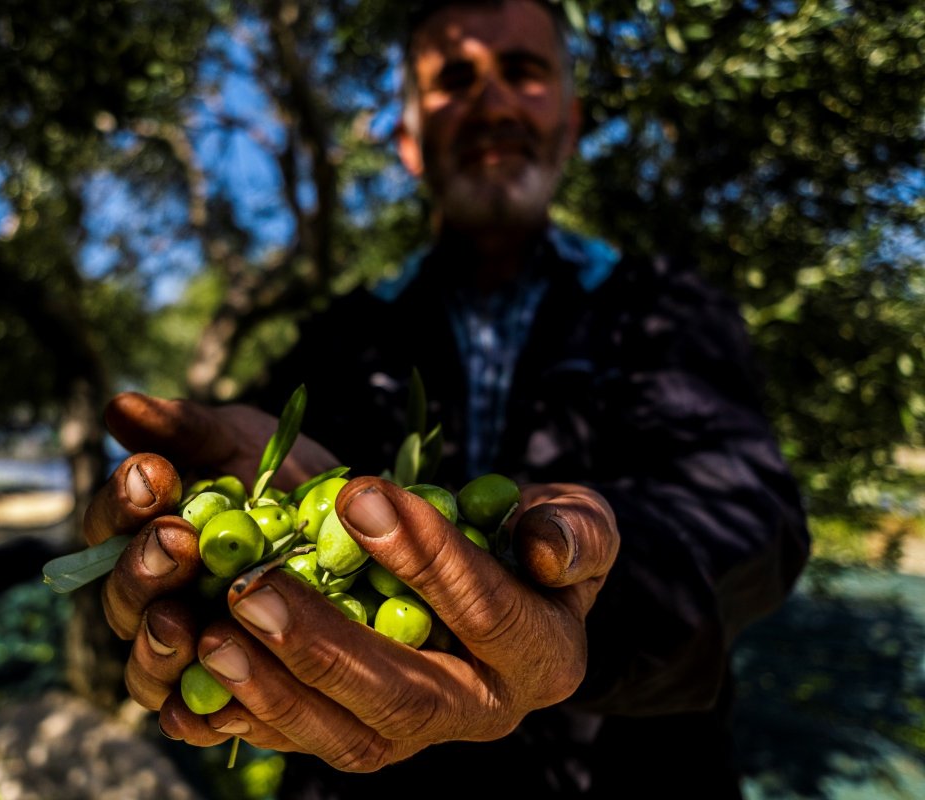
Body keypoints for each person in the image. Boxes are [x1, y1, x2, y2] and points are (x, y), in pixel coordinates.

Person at [81, 0, 811, 796]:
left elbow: (751, 515)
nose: (493, 102)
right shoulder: (336, 340)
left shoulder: (667, 310)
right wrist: (168, 555)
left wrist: (593, 587)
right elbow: (251, 524)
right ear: (407, 144)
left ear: (570, 126)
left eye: (525, 75)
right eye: (455, 80)